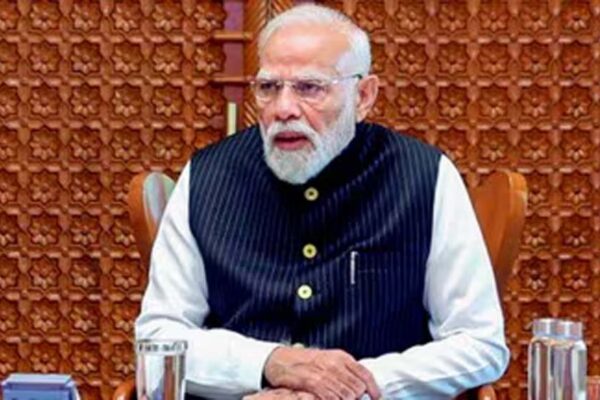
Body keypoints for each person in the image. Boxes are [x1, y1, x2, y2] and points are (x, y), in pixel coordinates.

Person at [136, 4, 509, 399]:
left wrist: (348, 388)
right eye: (269, 87)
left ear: (363, 96)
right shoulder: (208, 175)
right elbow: (157, 341)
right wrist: (268, 363)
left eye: (309, 88)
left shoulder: (424, 176)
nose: (284, 109)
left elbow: (479, 343)